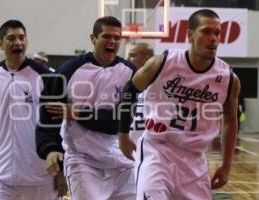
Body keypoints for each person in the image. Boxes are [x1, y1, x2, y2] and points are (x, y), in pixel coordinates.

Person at [118, 9, 240, 200]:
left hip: (194, 159)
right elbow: (129, 91)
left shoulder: (228, 78)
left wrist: (226, 165)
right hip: (157, 151)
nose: (213, 38)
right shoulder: (162, 63)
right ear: (190, 35)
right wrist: (123, 134)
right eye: (206, 32)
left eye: (217, 33)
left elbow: (230, 121)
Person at [0, 19, 66, 200]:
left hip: (41, 175)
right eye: (11, 38)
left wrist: (61, 171)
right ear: (0, 44)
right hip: (0, 175)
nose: (18, 42)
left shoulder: (46, 78)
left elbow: (58, 127)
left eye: (22, 37)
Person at [36, 16, 136, 200]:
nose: (112, 42)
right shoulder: (68, 71)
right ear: (93, 39)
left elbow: (118, 121)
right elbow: (48, 116)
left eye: (117, 38)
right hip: (83, 160)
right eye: (107, 36)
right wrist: (50, 148)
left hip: (123, 161)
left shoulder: (130, 72)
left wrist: (76, 113)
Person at [127, 42, 154, 144]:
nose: (128, 59)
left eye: (132, 55)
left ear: (147, 59)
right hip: (125, 147)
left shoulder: (161, 85)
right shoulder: (125, 82)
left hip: (152, 148)